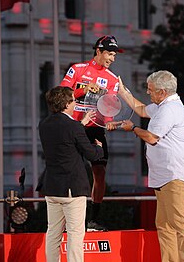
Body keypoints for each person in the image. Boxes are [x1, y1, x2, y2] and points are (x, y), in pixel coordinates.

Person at [117, 71, 184, 262]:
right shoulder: (163, 106)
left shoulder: (169, 110)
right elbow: (143, 110)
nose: (148, 92)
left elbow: (152, 138)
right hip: (165, 176)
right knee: (164, 225)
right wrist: (122, 92)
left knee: (180, 223)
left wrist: (133, 129)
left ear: (162, 92)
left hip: (175, 175)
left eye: (151, 90)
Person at [60, 35, 123, 231]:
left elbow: (110, 108)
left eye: (114, 55)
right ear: (98, 51)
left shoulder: (113, 79)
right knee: (70, 172)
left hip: (95, 129)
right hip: (73, 127)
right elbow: (60, 95)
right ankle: (65, 220)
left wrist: (110, 122)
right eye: (109, 54)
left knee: (100, 172)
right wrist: (83, 89)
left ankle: (93, 220)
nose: (112, 58)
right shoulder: (78, 69)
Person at [38, 86, 104, 262]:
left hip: (52, 187)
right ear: (67, 103)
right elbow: (90, 154)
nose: (75, 103)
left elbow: (64, 137)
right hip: (72, 189)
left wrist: (80, 124)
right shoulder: (73, 126)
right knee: (75, 234)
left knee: (53, 233)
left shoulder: (43, 124)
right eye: (74, 100)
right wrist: (99, 148)